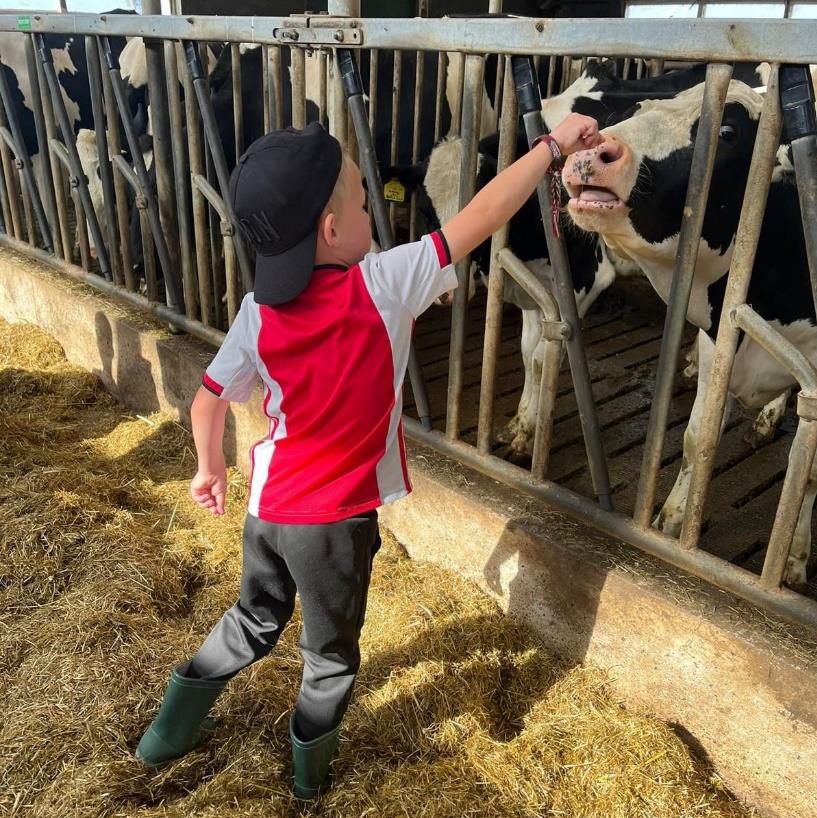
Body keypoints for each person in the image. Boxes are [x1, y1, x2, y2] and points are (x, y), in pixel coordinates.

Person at [134, 114, 601, 799]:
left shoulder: (256, 310)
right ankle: (307, 786)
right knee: (327, 657)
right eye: (361, 201)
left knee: (251, 619)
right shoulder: (383, 282)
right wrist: (550, 147)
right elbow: (485, 213)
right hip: (333, 523)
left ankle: (160, 741)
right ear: (330, 230)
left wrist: (208, 469)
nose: (371, 212)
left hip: (269, 506)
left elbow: (207, 402)